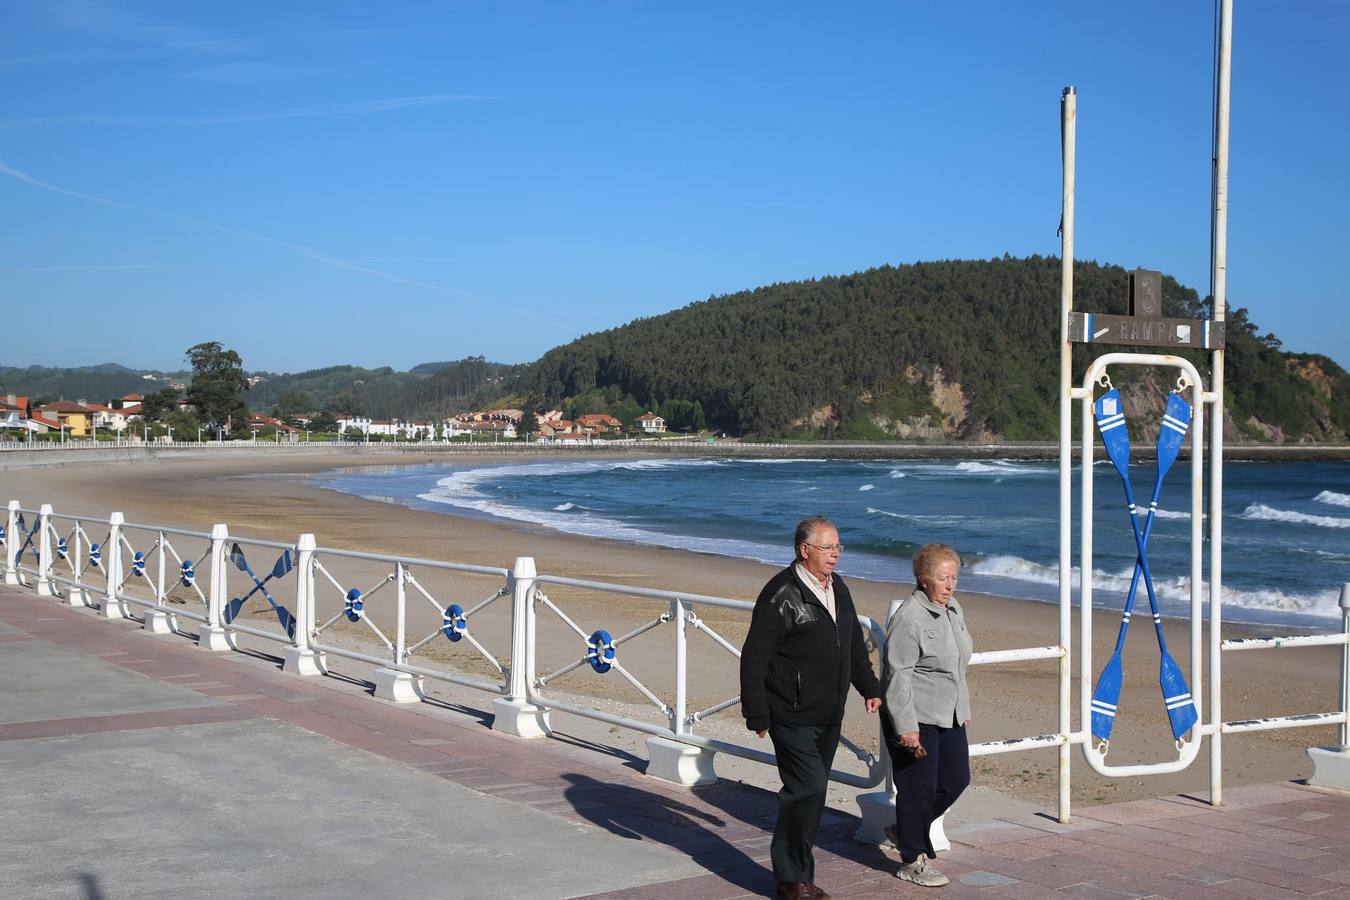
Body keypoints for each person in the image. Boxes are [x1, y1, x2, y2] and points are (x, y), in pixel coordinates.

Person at [741, 516, 883, 900]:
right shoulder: (780, 593)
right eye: (828, 547)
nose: (835, 554)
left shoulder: (839, 589)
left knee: (811, 795)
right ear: (805, 550)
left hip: (828, 712)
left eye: (838, 547)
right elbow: (754, 656)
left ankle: (800, 874)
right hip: (790, 711)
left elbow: (853, 644)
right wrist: (757, 711)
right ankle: (790, 878)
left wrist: (868, 686)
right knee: (807, 787)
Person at [881, 543, 973, 887]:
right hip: (915, 718)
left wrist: (962, 708)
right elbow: (897, 674)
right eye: (943, 578)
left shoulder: (953, 609)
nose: (951, 585)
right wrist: (906, 727)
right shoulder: (910, 617)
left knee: (956, 780)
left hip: (949, 715)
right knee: (918, 788)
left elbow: (956, 668)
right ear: (923, 580)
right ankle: (911, 859)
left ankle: (905, 829)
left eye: (955, 577)